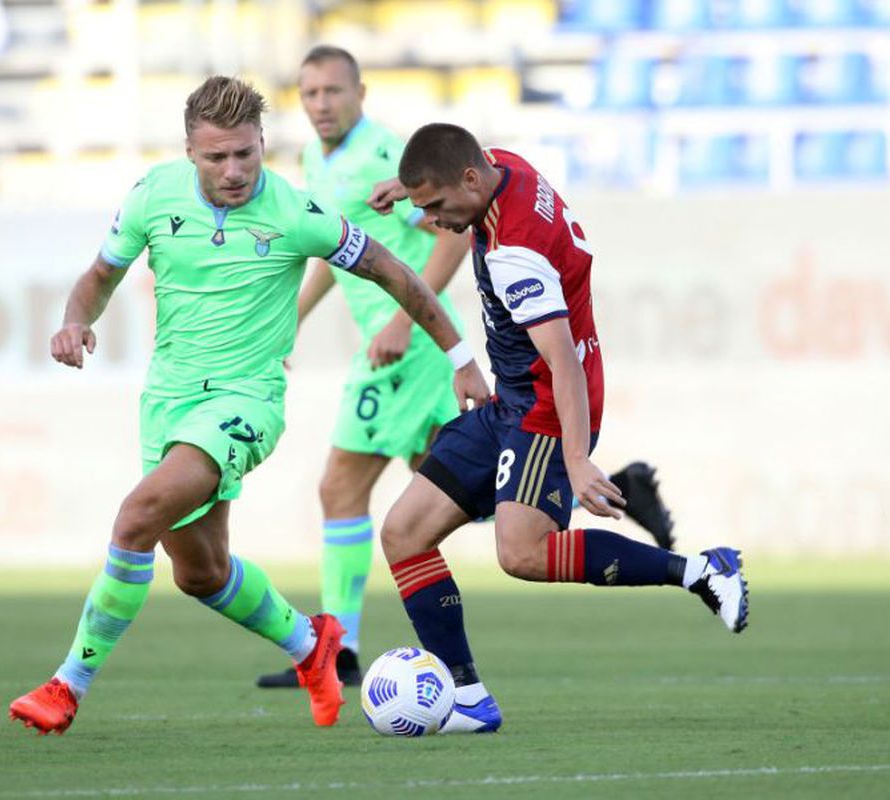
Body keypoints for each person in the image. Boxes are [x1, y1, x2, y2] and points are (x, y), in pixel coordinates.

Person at [7, 78, 490, 736]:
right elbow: (99, 277)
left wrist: (462, 356)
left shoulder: (297, 212)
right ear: (189, 153)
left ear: (263, 143)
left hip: (245, 402)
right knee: (200, 574)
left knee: (135, 517)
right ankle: (310, 645)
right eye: (216, 158)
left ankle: (67, 685)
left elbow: (394, 274)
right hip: (168, 401)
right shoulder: (153, 195)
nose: (234, 171)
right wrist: (74, 321)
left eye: (245, 154)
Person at [256, 46, 677, 690]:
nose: (319, 104)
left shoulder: (395, 154)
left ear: (360, 93)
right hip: (401, 346)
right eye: (308, 93)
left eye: (332, 91)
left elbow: (452, 232)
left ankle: (337, 648)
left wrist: (406, 318)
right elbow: (330, 255)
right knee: (457, 499)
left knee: (349, 489)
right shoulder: (320, 160)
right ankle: (600, 482)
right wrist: (290, 322)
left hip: (411, 347)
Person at [367, 123, 749, 734]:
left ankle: (703, 571)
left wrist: (574, 459)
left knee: (520, 553)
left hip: (546, 404)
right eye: (425, 207)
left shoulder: (516, 251)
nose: (435, 221)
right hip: (511, 398)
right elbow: (461, 155)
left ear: (469, 181)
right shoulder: (499, 169)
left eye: (437, 207)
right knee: (403, 533)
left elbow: (563, 361)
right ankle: (468, 696)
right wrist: (406, 185)